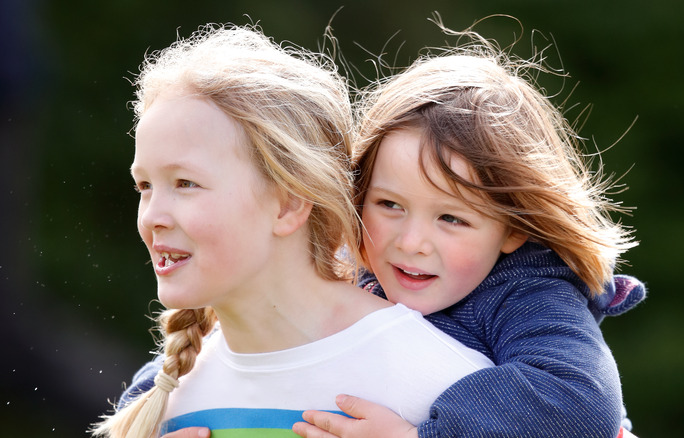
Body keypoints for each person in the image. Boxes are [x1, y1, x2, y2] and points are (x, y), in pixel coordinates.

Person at [90, 23, 494, 438]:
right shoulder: (171, 398)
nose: (152, 216)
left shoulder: (432, 377)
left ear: (289, 204)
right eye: (145, 186)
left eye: (185, 184)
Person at [293, 21, 646, 438]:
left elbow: (578, 403)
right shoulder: (339, 271)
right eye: (390, 205)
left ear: (514, 229)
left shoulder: (525, 293)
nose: (410, 243)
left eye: (451, 219)